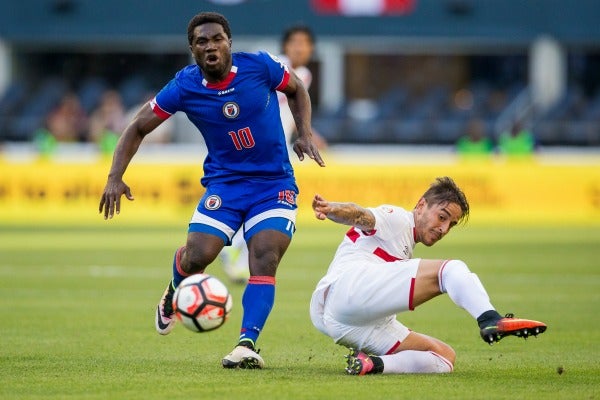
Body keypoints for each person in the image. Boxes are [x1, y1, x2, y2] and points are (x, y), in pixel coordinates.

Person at [98, 12, 325, 369]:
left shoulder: (260, 67)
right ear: (192, 49)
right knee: (197, 256)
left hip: (274, 184)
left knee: (265, 255)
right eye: (201, 41)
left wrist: (305, 133)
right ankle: (175, 289)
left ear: (229, 43)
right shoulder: (184, 87)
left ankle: (246, 343)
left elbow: (297, 89)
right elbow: (138, 126)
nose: (210, 46)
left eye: (217, 38)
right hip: (226, 184)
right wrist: (115, 175)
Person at [309, 177, 547, 375]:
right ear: (421, 205)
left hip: (343, 324)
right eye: (442, 217)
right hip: (349, 289)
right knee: (450, 270)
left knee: (444, 358)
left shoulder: (404, 240)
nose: (444, 229)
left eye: (451, 224)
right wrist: (332, 210)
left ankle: (372, 364)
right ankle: (490, 319)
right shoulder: (397, 218)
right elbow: (361, 215)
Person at [219, 24, 327, 284]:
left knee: (261, 201)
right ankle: (231, 246)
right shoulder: (277, 65)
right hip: (259, 145)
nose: (300, 48)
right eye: (295, 43)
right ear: (286, 47)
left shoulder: (303, 73)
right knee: (270, 202)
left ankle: (235, 250)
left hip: (275, 148)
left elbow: (291, 112)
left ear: (311, 49)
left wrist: (309, 134)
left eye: (305, 44)